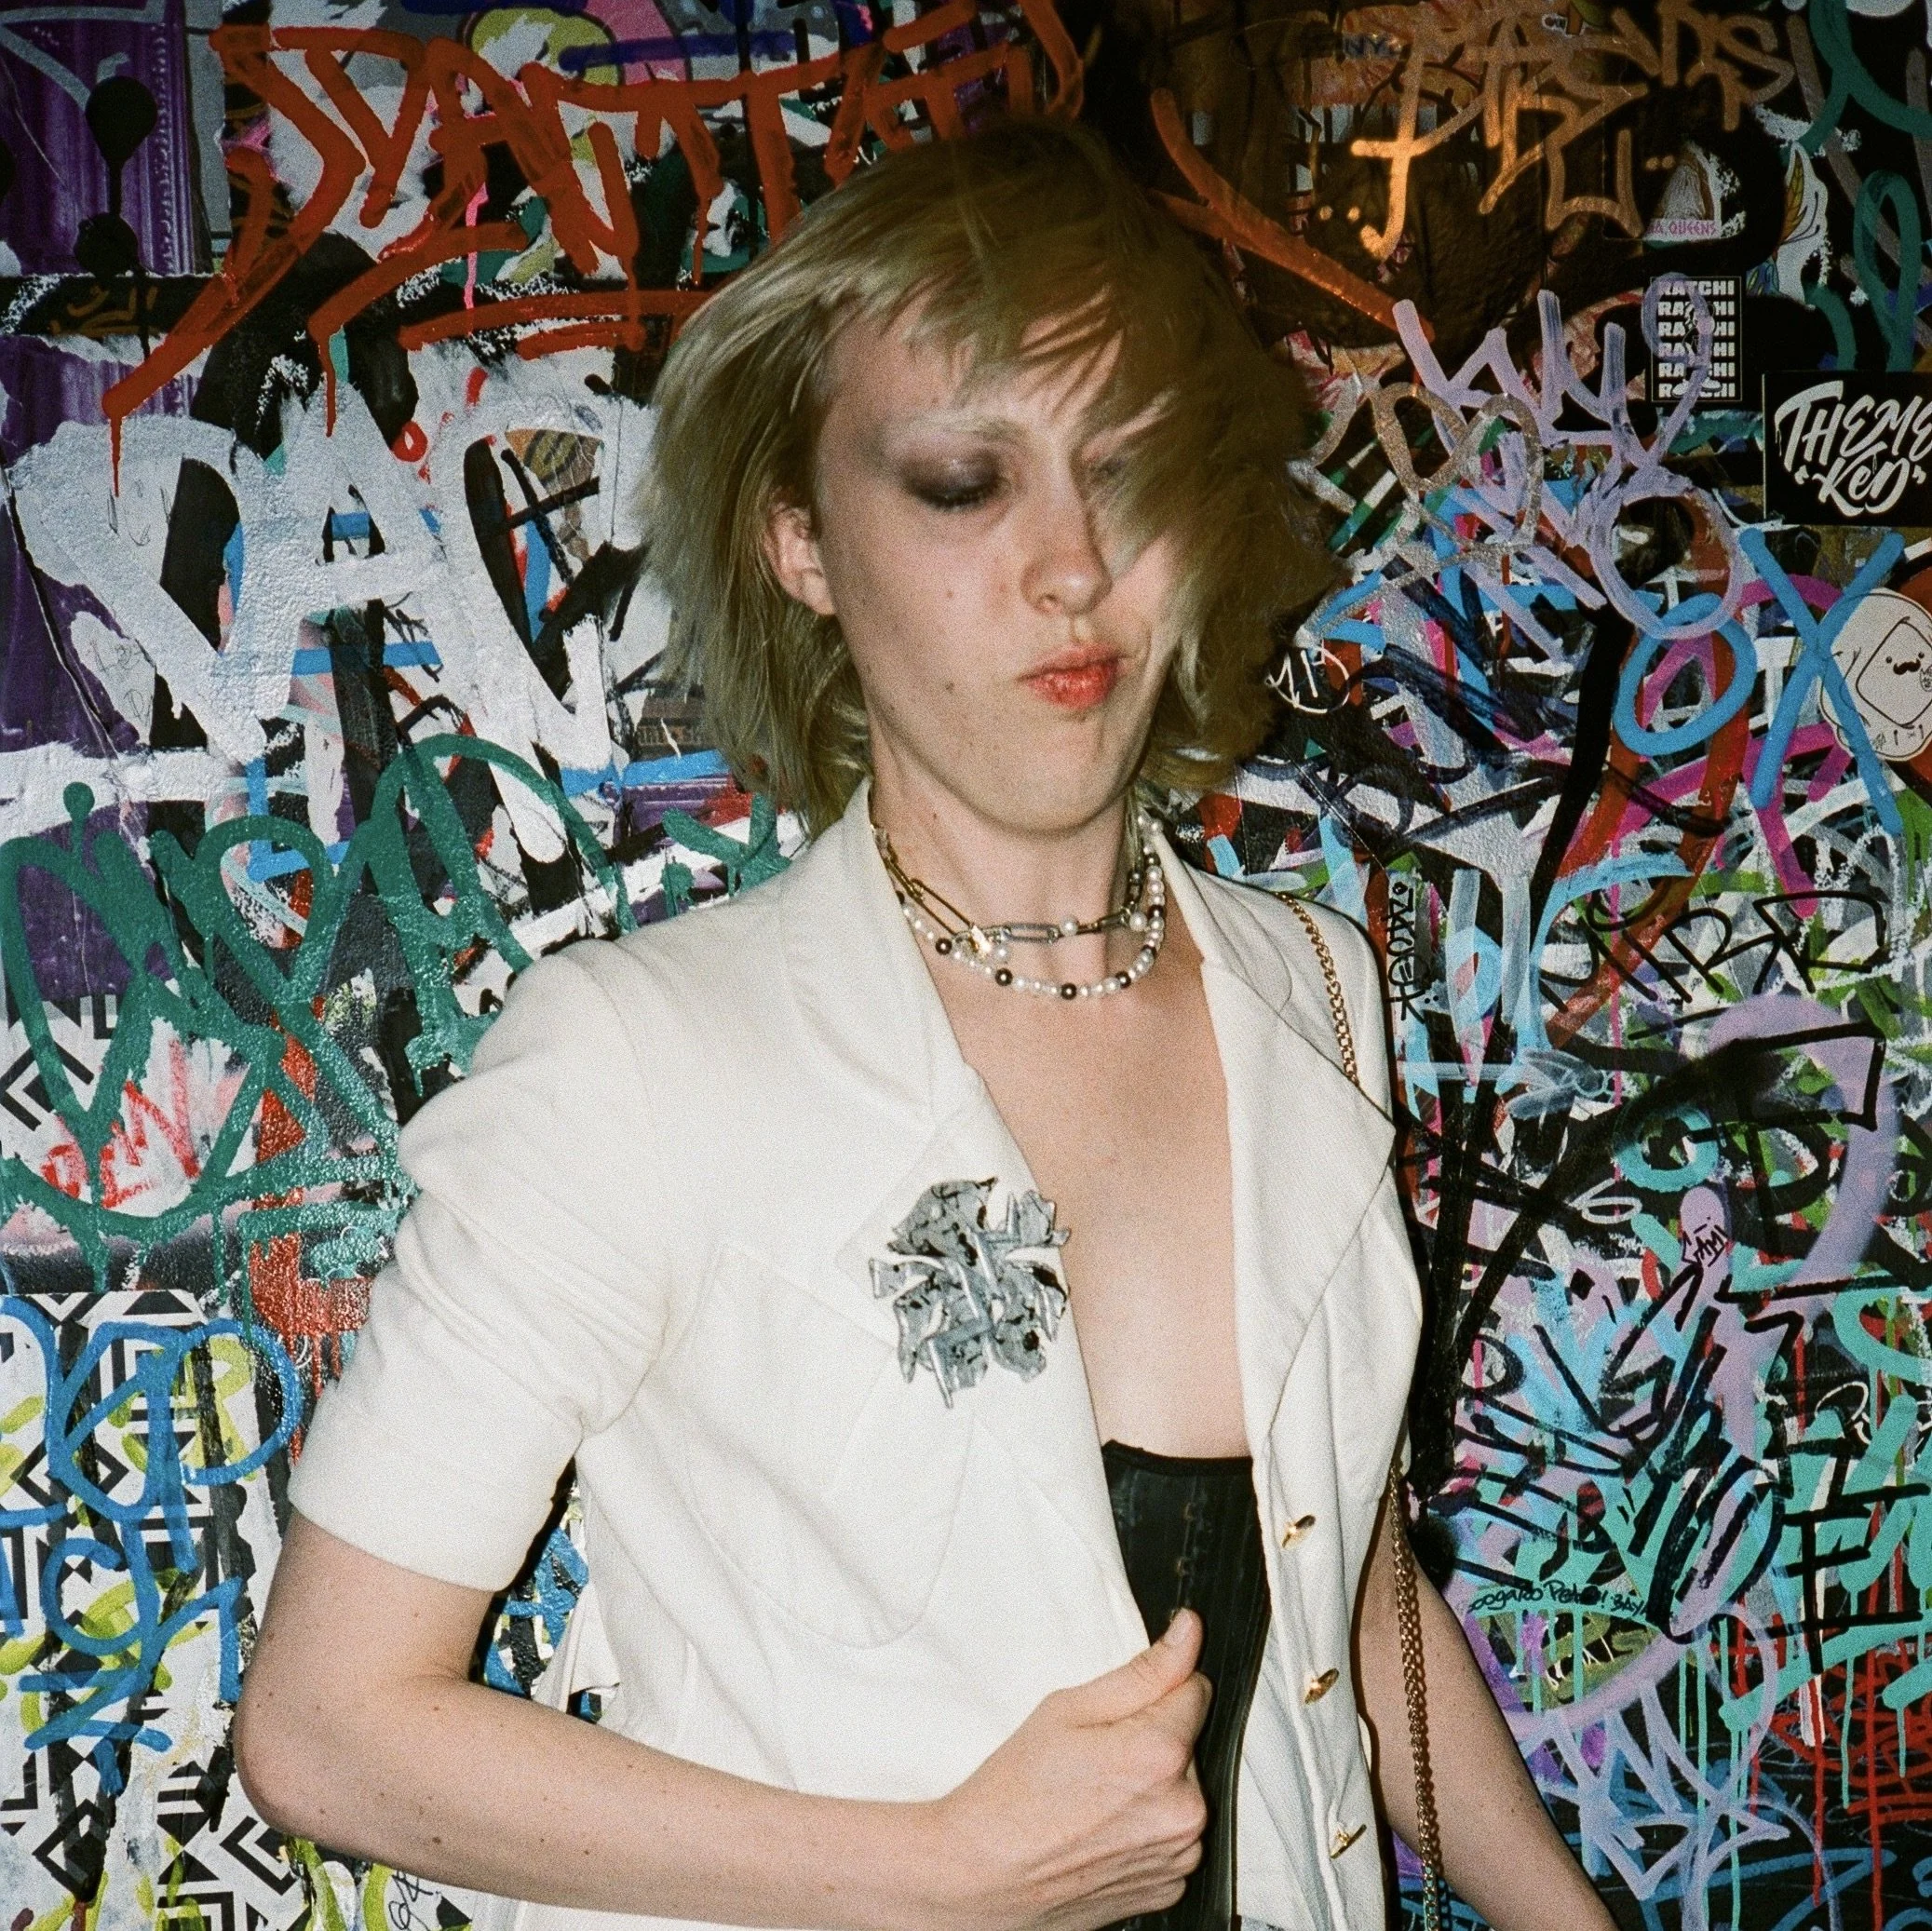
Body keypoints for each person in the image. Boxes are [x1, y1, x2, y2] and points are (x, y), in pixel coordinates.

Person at [234, 116, 1616, 1931]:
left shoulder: (1307, 982)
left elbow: (1340, 1583)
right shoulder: (638, 1062)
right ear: (801, 539)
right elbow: (332, 1730)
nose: (1070, 565)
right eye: (964, 478)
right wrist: (936, 1868)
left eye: (1124, 465)